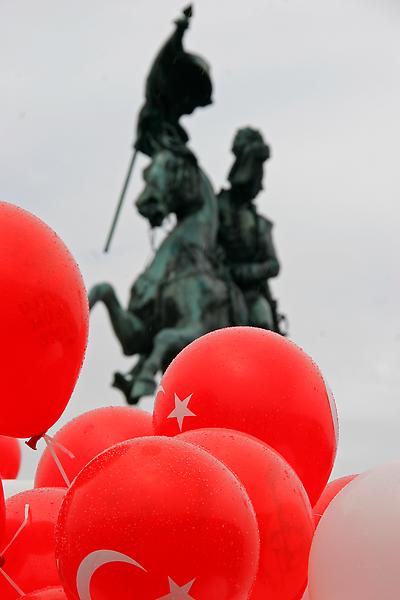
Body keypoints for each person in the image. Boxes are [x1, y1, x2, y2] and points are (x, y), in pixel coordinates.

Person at [218, 127, 285, 333]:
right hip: (216, 285)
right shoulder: (216, 206)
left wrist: (241, 272)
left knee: (261, 321)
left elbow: (273, 265)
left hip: (249, 293)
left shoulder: (261, 224)